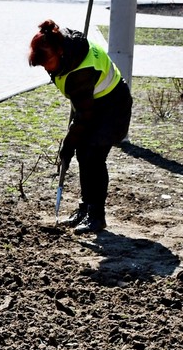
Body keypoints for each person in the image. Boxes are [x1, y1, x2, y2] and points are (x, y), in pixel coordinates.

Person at [28, 19, 133, 235]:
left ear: (60, 52)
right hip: (94, 103)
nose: (46, 68)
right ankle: (85, 209)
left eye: (47, 62)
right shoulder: (61, 41)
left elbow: (84, 117)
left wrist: (68, 144)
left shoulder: (79, 73)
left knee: (92, 156)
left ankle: (97, 216)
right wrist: (72, 144)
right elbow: (82, 109)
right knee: (83, 154)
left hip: (113, 107)